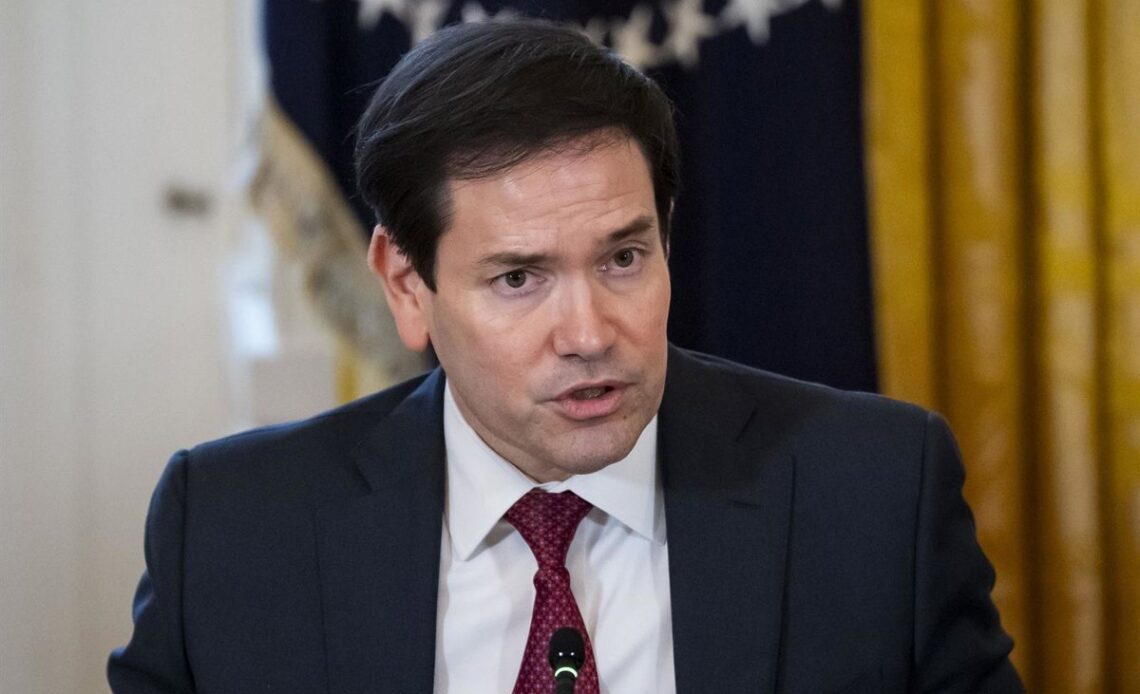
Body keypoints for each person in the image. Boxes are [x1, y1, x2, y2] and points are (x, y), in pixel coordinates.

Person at [108, 19, 1022, 693]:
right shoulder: (233, 531)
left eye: (624, 259)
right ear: (406, 285)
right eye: (519, 278)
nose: (588, 333)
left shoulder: (874, 494)